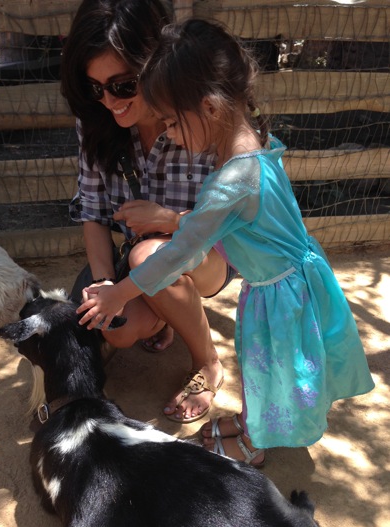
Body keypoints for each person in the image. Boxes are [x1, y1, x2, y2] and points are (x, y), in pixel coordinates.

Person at [76, 18, 375, 465]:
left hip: (279, 292)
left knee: (271, 367)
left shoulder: (230, 183)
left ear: (211, 109)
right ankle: (254, 421)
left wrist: (120, 293)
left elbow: (179, 253)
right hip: (286, 281)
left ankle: (255, 444)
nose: (170, 133)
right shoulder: (257, 144)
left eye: (173, 122)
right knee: (259, 365)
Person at [61, 0, 237, 423]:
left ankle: (208, 362)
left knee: (147, 256)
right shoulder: (96, 123)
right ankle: (165, 313)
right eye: (94, 88)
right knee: (114, 328)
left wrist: (170, 221)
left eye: (123, 85)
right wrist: (104, 283)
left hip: (212, 256)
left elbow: (237, 220)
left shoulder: (201, 114)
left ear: (154, 64)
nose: (109, 101)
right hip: (149, 257)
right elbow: (93, 212)